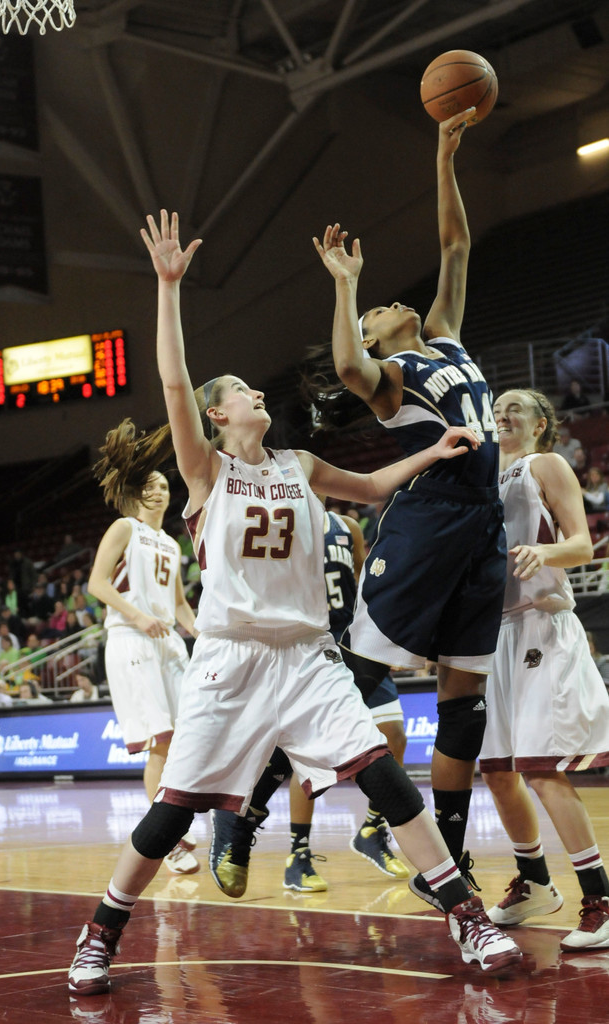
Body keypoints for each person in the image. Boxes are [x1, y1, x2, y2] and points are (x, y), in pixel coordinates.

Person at [66, 209, 521, 999]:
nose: (255, 392)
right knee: (172, 812)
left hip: (308, 655)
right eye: (240, 391)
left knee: (384, 777)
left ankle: (467, 918)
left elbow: (372, 487)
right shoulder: (205, 472)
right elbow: (173, 380)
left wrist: (433, 450)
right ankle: (100, 932)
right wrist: (168, 288)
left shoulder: (299, 464)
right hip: (230, 660)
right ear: (217, 415)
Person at [313, 109, 505, 904]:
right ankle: (278, 801)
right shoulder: (388, 381)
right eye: (375, 314)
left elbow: (455, 246)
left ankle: (445, 862)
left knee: (464, 705)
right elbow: (346, 368)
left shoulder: (446, 337)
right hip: (427, 522)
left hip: (483, 525)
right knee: (357, 671)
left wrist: (444, 154)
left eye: (384, 302)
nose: (390, 303)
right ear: (372, 336)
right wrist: (346, 288)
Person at [209, 504, 410, 897]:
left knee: (394, 736)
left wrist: (383, 639)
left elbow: (363, 586)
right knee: (304, 758)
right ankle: (297, 854)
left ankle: (372, 829)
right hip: (311, 649)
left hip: (355, 644)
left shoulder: (346, 526)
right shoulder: (281, 525)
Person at [480, 389, 609, 951]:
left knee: (541, 769)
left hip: (541, 624)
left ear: (540, 424)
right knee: (496, 771)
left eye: (515, 408)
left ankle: (600, 899)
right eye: (496, 409)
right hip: (491, 636)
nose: (502, 414)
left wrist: (545, 553)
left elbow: (582, 545)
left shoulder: (545, 464)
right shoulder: (481, 477)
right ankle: (534, 882)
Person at [86, 461, 199, 876]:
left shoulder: (170, 542)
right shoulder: (124, 528)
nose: (158, 492)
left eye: (164, 486)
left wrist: (201, 632)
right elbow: (97, 583)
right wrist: (137, 616)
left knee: (187, 740)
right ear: (135, 494)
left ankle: (172, 821)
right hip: (132, 638)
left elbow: (180, 604)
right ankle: (166, 842)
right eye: (150, 486)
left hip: (167, 640)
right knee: (162, 743)